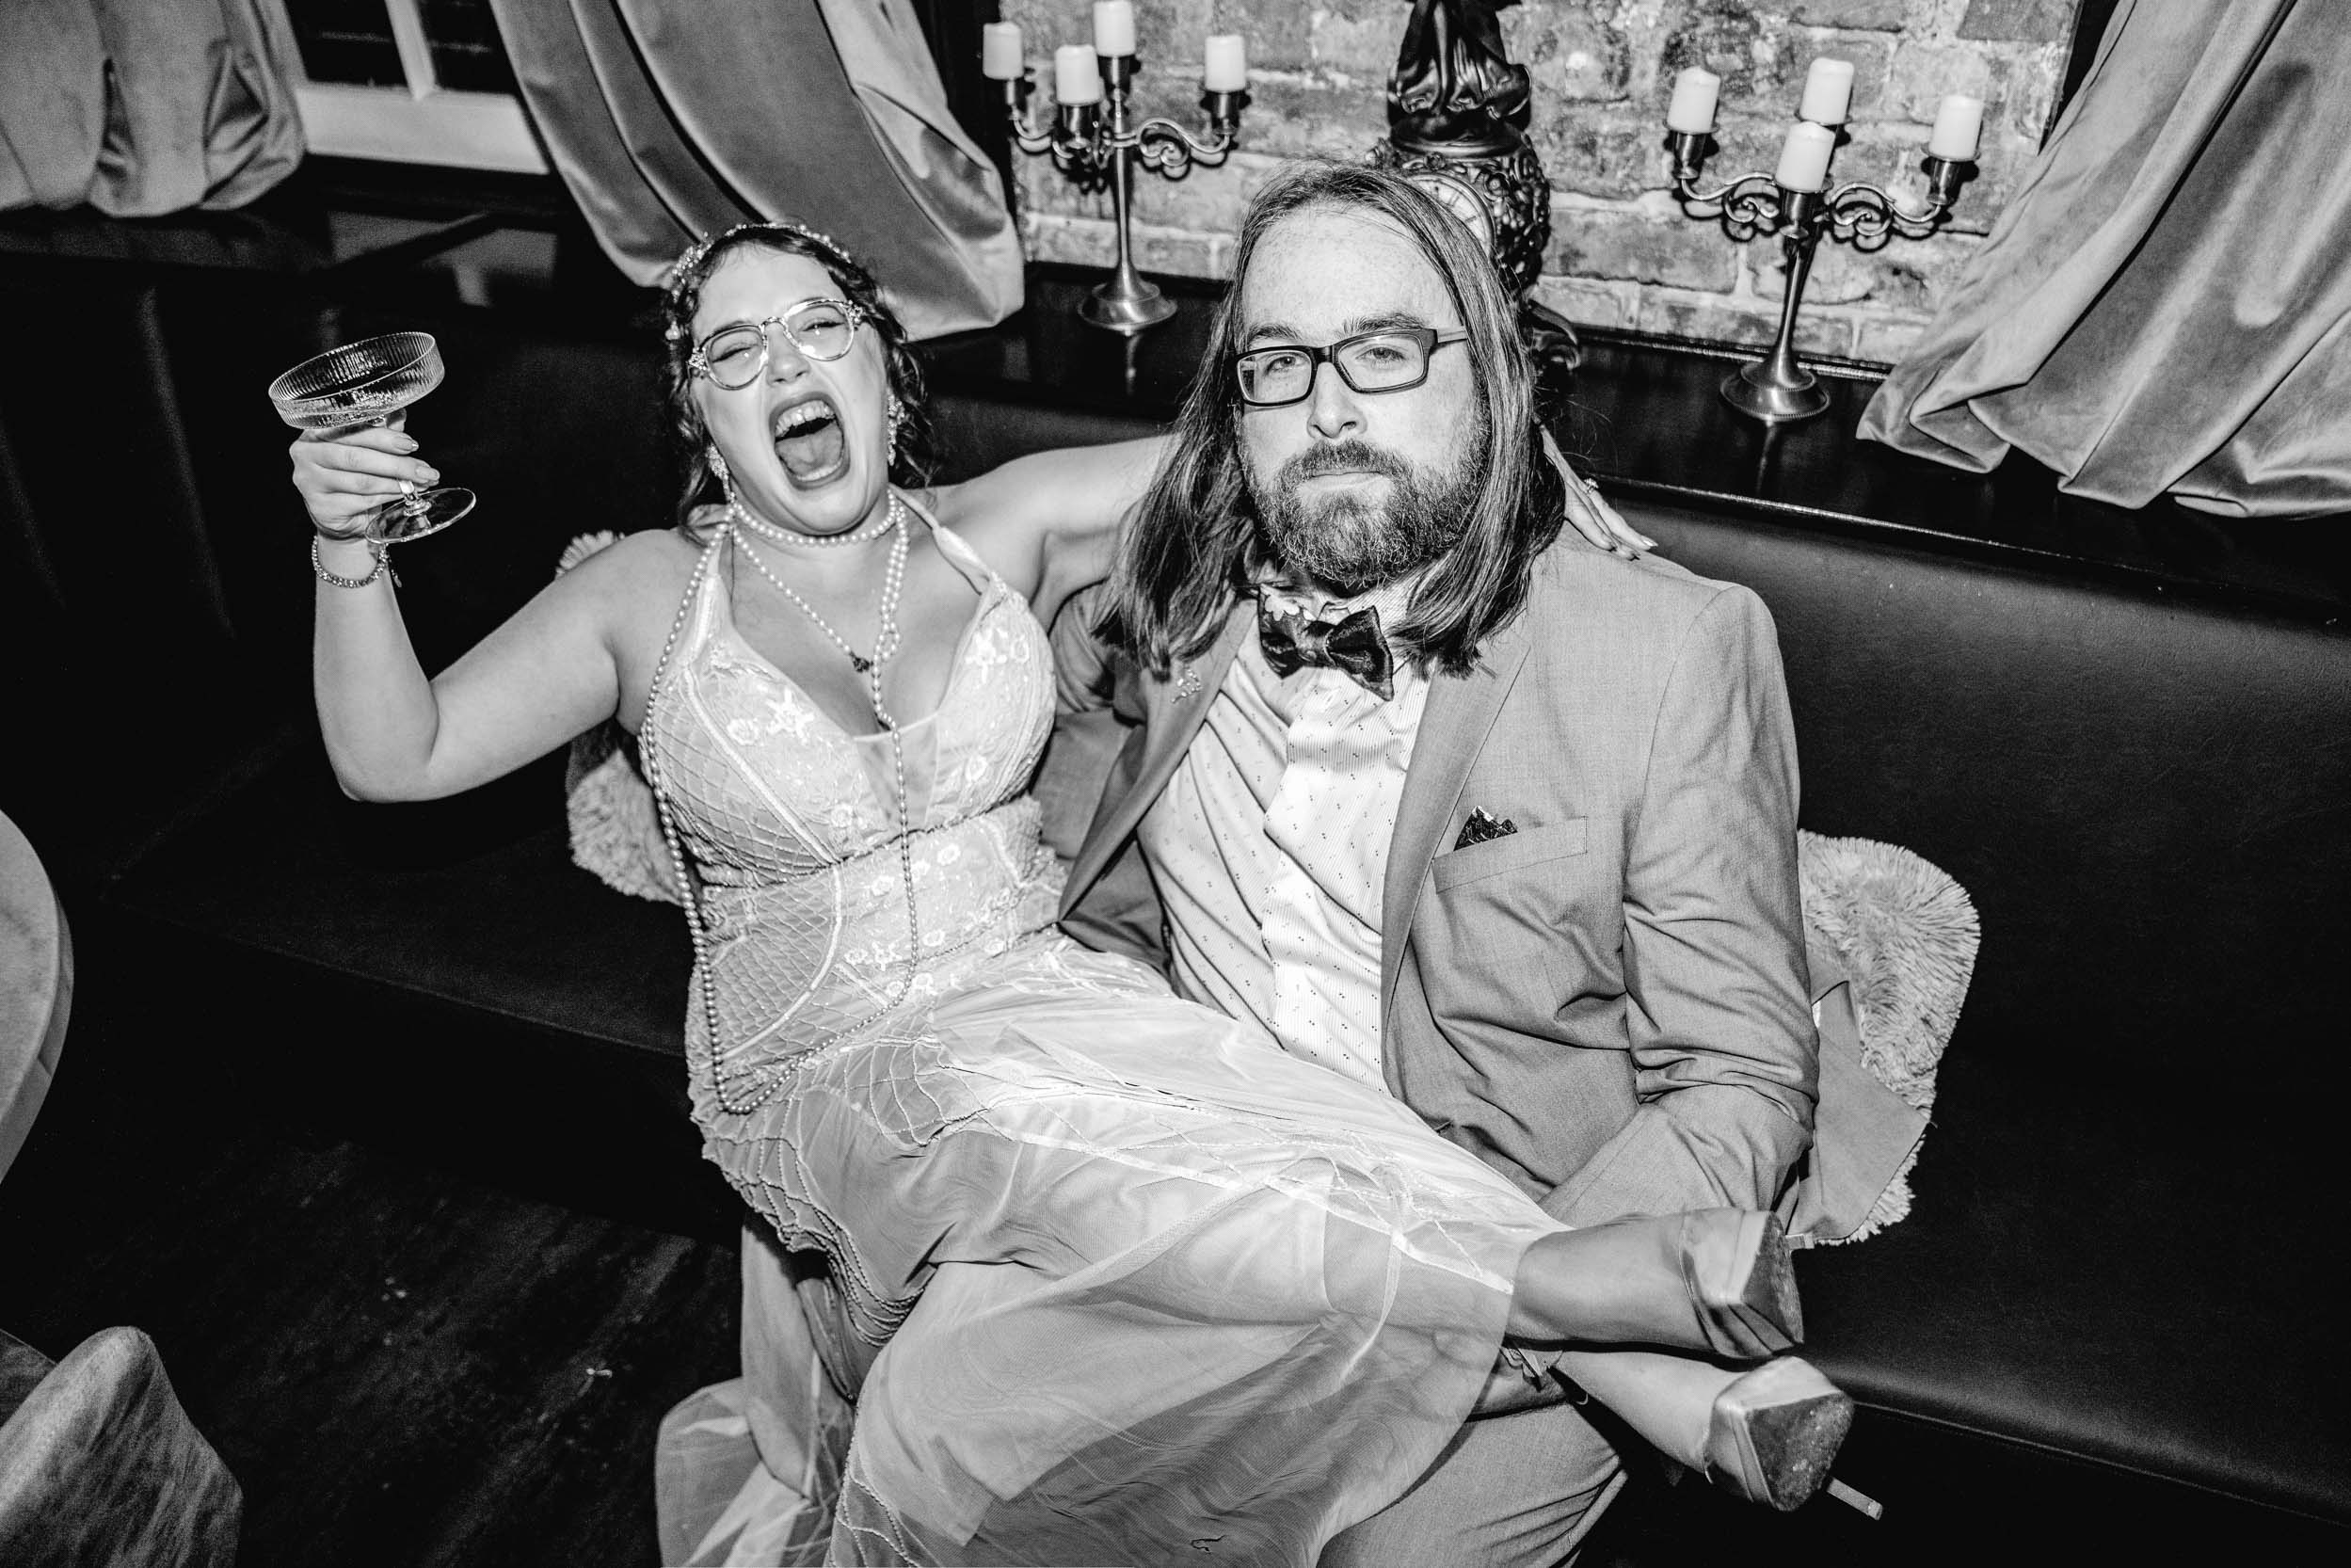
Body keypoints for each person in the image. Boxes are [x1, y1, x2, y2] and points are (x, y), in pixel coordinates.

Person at [291, 212, 1847, 1568]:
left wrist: (1520, 444)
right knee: (1026, 1129)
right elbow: (396, 759)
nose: (782, 367)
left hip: (1037, 1006)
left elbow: (1283, 434)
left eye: (817, 326)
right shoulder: (640, 592)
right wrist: (345, 549)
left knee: (1205, 1113)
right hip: (824, 1066)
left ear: (879, 370)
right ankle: (1617, 1321)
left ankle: (1656, 1371)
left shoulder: (999, 530)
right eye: (730, 349)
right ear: (699, 413)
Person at [1055, 158, 1857, 1565]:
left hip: (1533, 1244)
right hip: (1225, 1221)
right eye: (1280, 363)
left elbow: (1731, 1081)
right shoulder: (1179, 601)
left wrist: (1497, 1308)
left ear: (1489, 374)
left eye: (1382, 349)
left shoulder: (1670, 650)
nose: (1329, 408)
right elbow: (1111, 913)